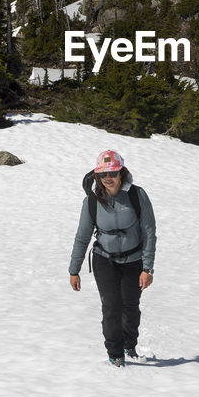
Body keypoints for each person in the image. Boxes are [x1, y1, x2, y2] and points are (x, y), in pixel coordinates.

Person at [69, 149, 156, 367]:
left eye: (113, 173)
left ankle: (129, 344)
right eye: (103, 174)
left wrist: (148, 268)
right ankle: (115, 351)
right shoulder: (91, 201)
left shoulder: (137, 195)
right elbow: (82, 237)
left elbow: (149, 232)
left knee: (130, 306)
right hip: (104, 259)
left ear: (121, 173)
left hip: (134, 260)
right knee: (111, 306)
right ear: (97, 176)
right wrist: (74, 270)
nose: (108, 178)